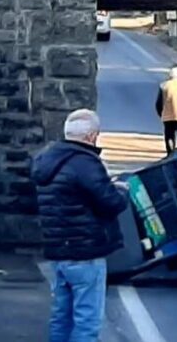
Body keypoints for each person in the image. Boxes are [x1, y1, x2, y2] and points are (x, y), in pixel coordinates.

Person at [31, 109, 129, 342]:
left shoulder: (46, 160)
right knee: (87, 320)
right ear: (91, 136)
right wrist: (122, 191)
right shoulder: (85, 163)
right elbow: (110, 202)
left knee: (61, 317)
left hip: (58, 251)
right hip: (86, 251)